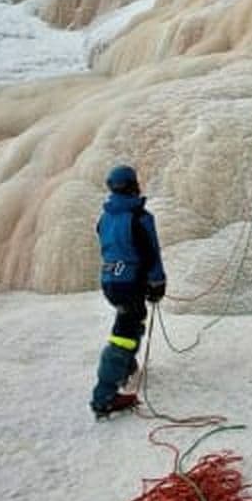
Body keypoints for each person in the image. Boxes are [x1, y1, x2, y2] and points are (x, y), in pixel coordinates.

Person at [91, 165, 166, 417]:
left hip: (110, 281)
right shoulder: (140, 217)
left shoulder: (105, 217)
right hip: (130, 282)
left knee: (131, 322)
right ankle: (104, 396)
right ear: (133, 185)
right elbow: (151, 253)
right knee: (123, 335)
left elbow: (109, 247)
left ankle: (126, 367)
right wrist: (157, 283)